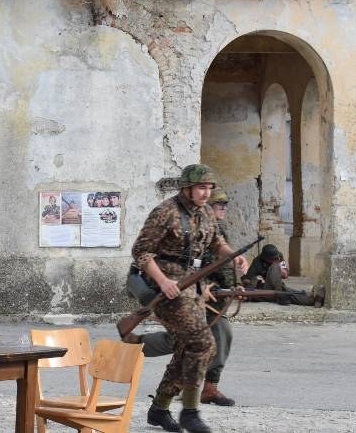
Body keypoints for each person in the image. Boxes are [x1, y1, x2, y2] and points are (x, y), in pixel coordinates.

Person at [130, 164, 242, 433]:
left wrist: (232, 256)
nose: (206, 193)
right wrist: (163, 281)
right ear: (187, 188)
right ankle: (190, 412)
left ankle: (159, 409)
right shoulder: (165, 212)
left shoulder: (206, 212)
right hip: (164, 289)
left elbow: (216, 242)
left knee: (186, 349)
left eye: (209, 188)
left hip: (192, 287)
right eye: (201, 188)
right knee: (203, 343)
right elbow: (141, 252)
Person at [242, 244, 324, 307]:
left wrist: (278, 266)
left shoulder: (278, 256)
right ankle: (311, 300)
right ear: (265, 258)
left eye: (276, 257)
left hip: (278, 285)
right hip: (264, 289)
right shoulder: (257, 262)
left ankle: (310, 298)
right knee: (287, 294)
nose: (276, 258)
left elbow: (285, 275)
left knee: (287, 291)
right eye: (273, 258)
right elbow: (248, 280)